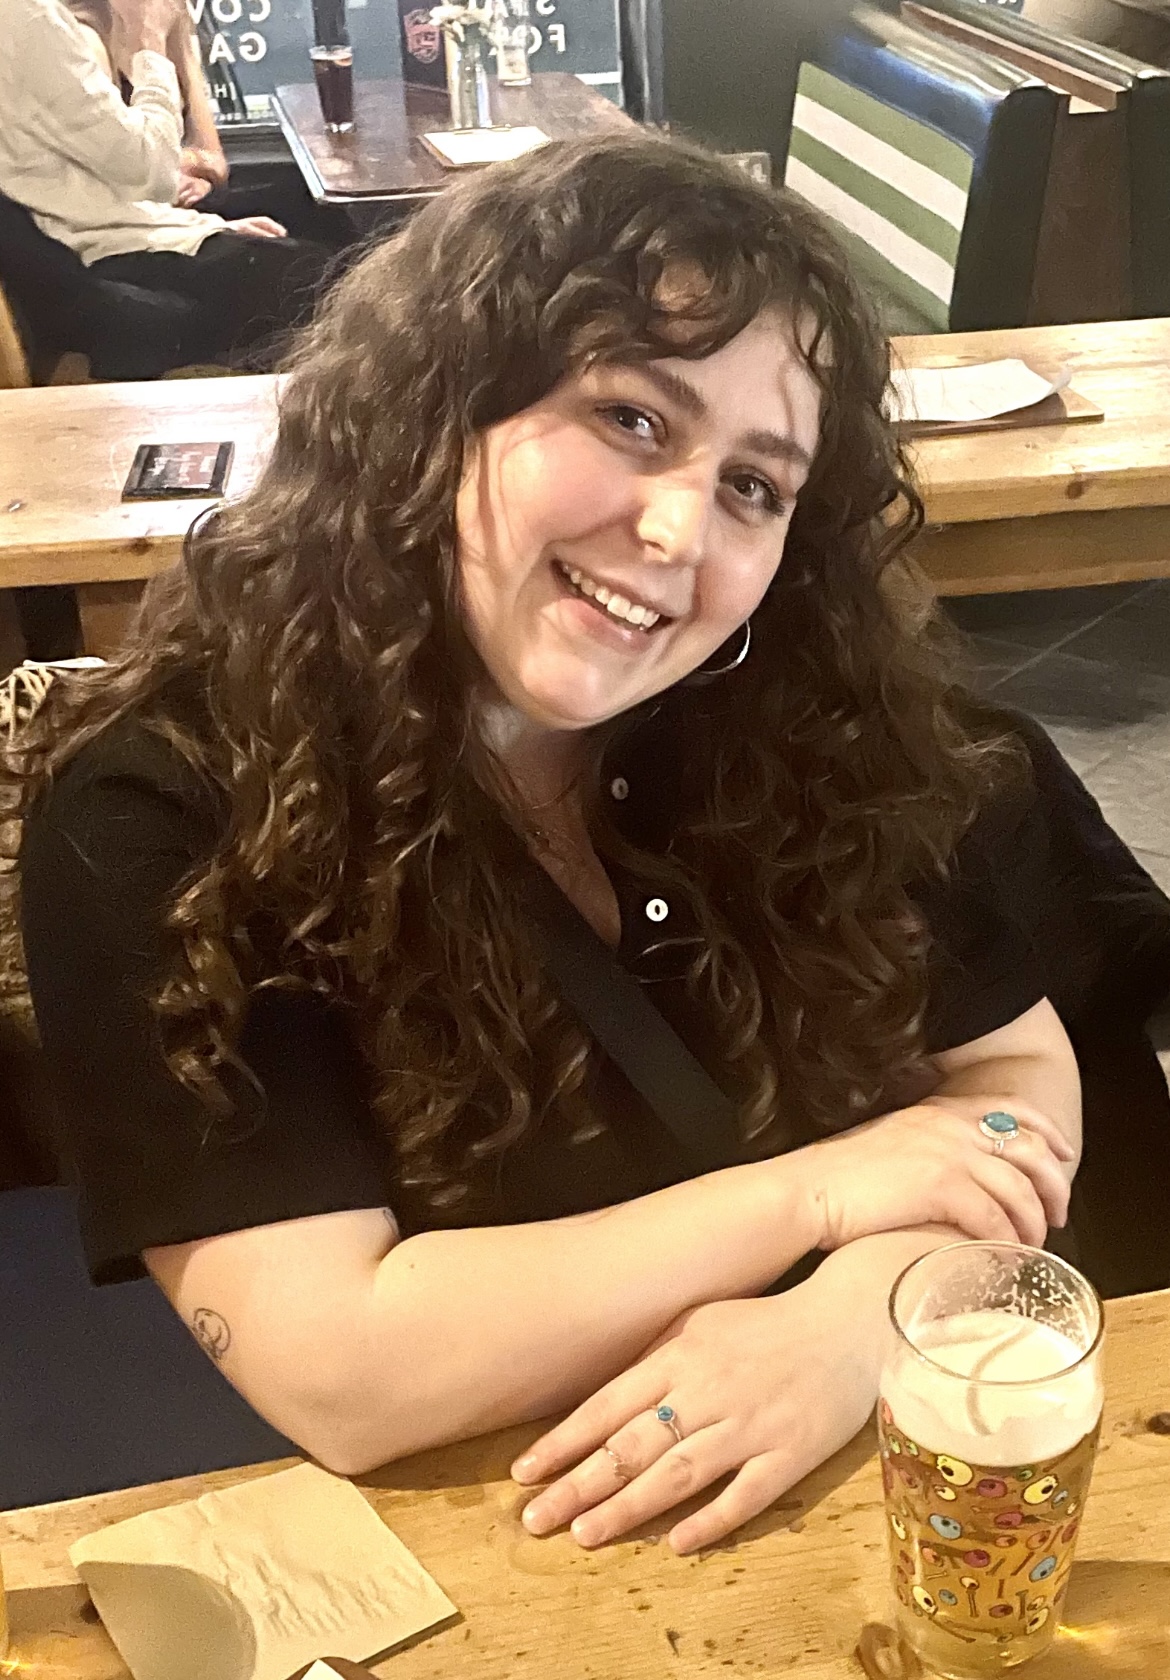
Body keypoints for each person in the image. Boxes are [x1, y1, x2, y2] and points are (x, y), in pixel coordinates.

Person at [16, 134, 1081, 1555]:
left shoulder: (806, 730)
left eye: (755, 486)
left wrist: (850, 1323)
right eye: (632, 418)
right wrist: (819, 1190)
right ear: (438, 407)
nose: (675, 526)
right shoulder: (166, 809)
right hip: (498, 1540)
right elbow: (338, 1366)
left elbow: (1015, 1077)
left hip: (834, 1503)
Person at [0, 0, 335, 368]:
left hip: (102, 238)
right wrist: (149, 41)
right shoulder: (30, 16)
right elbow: (151, 168)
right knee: (323, 279)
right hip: (90, 267)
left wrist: (205, 226)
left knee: (312, 226)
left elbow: (93, 182)